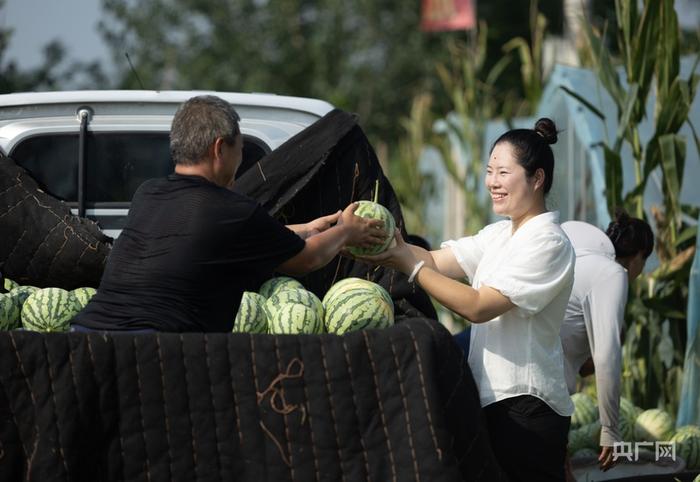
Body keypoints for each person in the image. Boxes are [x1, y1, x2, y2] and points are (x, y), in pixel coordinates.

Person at [359, 118, 575, 482]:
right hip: (494, 401)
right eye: (490, 171)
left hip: (527, 407)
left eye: (503, 172)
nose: (492, 182)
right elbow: (435, 261)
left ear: (537, 179)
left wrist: (408, 265)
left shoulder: (548, 243)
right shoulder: (500, 235)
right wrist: (380, 243)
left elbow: (478, 306)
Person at [71, 95, 385, 333]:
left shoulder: (148, 193)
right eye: (241, 148)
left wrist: (309, 228)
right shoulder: (231, 209)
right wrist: (346, 231)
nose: (242, 158)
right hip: (153, 349)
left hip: (86, 335)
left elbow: (235, 238)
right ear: (220, 148)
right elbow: (307, 260)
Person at [560, 212, 654, 472]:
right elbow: (605, 357)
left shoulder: (573, 249)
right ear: (638, 256)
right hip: (542, 398)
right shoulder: (612, 273)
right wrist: (610, 429)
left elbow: (579, 358)